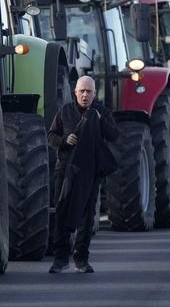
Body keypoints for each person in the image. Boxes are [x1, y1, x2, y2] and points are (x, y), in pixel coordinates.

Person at [47, 75, 119, 273]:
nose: (85, 95)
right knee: (62, 212)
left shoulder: (101, 112)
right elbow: (51, 136)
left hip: (90, 172)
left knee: (86, 217)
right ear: (75, 93)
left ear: (95, 94)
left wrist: (98, 119)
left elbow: (114, 135)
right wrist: (64, 140)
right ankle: (60, 259)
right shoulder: (65, 111)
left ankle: (81, 259)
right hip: (66, 171)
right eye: (82, 91)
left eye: (89, 92)